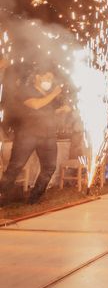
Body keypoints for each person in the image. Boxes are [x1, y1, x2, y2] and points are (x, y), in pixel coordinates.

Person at [0, 67, 70, 205]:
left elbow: (48, 113)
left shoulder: (49, 95)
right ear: (37, 77)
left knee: (49, 167)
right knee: (16, 166)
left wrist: (61, 110)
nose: (49, 81)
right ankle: (2, 195)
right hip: (28, 134)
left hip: (48, 135)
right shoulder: (26, 90)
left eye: (51, 79)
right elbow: (36, 105)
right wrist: (53, 94)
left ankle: (34, 198)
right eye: (47, 78)